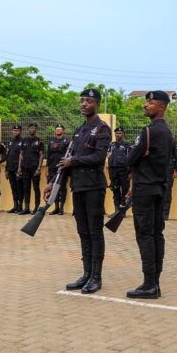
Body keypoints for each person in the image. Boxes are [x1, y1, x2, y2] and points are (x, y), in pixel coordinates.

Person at [51, 89, 111, 294]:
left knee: (95, 231)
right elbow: (67, 162)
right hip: (78, 186)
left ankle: (96, 277)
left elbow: (99, 158)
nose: (84, 104)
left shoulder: (102, 129)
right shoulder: (79, 130)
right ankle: (86, 273)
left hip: (94, 186)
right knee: (83, 231)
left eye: (89, 101)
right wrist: (53, 182)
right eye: (82, 100)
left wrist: (74, 160)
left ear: (97, 104)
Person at [125, 91, 174, 299]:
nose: (146, 105)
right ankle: (155, 282)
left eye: (151, 102)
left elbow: (130, 159)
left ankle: (149, 284)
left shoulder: (149, 131)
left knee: (145, 235)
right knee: (156, 234)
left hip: (145, 189)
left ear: (161, 107)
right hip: (160, 188)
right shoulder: (167, 132)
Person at [20, 123, 44, 214]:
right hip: (25, 167)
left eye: (34, 128)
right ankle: (26, 208)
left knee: (36, 188)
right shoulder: (24, 140)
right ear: (28, 129)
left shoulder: (39, 141)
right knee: (26, 188)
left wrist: (39, 168)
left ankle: (36, 207)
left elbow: (41, 155)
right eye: (30, 128)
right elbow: (21, 154)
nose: (32, 129)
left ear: (36, 130)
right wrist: (19, 167)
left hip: (34, 168)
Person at [45, 124, 69, 215]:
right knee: (53, 187)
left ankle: (61, 208)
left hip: (62, 168)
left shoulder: (67, 141)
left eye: (60, 129)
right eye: (57, 129)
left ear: (63, 131)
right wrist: (47, 169)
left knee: (62, 187)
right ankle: (56, 207)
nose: (58, 130)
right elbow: (48, 155)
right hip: (52, 168)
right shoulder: (51, 141)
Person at [107, 126, 131, 209]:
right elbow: (109, 158)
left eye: (120, 133)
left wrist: (130, 172)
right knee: (115, 190)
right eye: (116, 133)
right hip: (113, 171)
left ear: (123, 134)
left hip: (124, 171)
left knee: (125, 190)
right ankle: (116, 209)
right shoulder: (111, 145)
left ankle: (123, 209)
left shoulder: (127, 146)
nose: (118, 135)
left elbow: (130, 159)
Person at [5, 125, 26, 214]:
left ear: (20, 131)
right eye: (14, 130)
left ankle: (20, 206)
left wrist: (20, 168)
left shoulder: (23, 141)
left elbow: (22, 155)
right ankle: (15, 206)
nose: (15, 132)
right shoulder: (11, 141)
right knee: (13, 187)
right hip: (10, 168)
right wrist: (6, 169)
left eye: (17, 130)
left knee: (20, 188)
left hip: (18, 168)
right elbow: (8, 156)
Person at [162, 137, 177, 221]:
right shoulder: (156, 138)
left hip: (169, 169)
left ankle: (165, 214)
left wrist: (176, 169)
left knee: (167, 191)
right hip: (157, 168)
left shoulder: (172, 140)